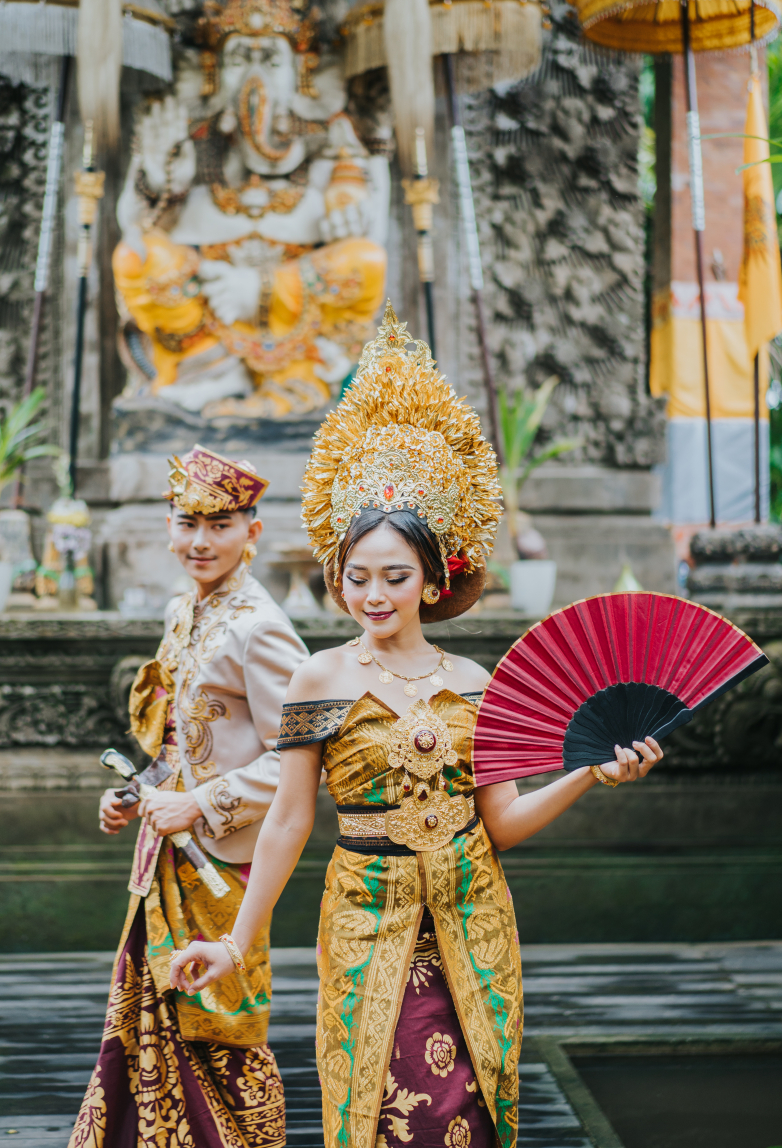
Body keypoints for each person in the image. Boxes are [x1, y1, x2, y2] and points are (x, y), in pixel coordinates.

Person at [170, 305, 664, 1148]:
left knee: (465, 1109)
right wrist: (236, 941)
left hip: (473, 914)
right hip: (365, 915)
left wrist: (588, 772)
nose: (373, 595)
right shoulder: (317, 677)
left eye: (394, 576)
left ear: (432, 581)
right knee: (379, 1105)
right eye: (356, 576)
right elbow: (290, 819)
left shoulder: (475, 684)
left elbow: (499, 822)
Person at [70, 445, 309, 1148]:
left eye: (220, 525)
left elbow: (299, 764)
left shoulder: (261, 628)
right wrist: (136, 793)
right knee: (151, 1020)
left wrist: (200, 805)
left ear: (252, 532)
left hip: (224, 869)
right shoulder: (185, 610)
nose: (200, 541)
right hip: (164, 855)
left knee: (219, 1027)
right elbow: (176, 746)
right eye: (186, 523)